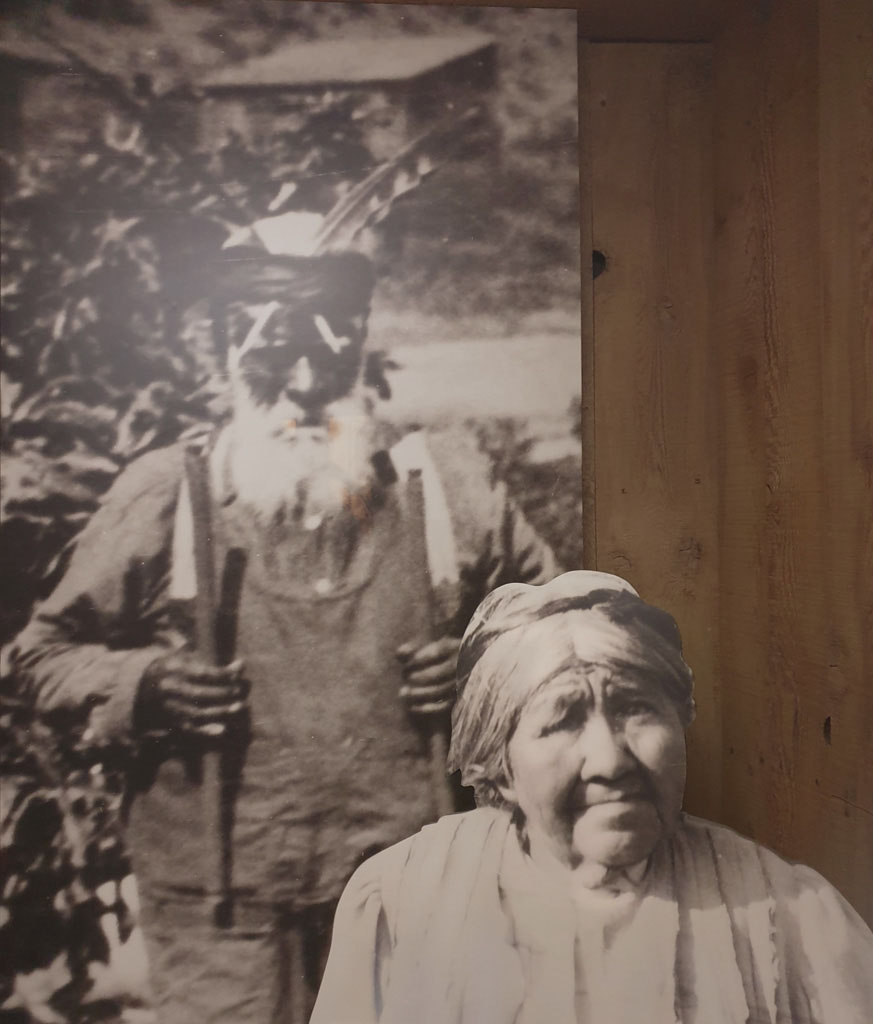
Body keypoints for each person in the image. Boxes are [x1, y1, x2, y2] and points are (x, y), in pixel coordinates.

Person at [7, 229, 559, 1023]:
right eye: (274, 354)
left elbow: (574, 633)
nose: (304, 383)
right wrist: (144, 683)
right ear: (228, 349)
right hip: (220, 909)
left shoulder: (439, 482)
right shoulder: (170, 495)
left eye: (328, 355)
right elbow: (41, 658)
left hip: (414, 895)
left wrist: (486, 666)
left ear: (360, 347)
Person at [312, 570, 873, 1024]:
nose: (609, 761)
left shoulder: (789, 917)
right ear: (497, 766)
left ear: (682, 722)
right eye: (562, 720)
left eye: (636, 709)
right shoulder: (401, 904)